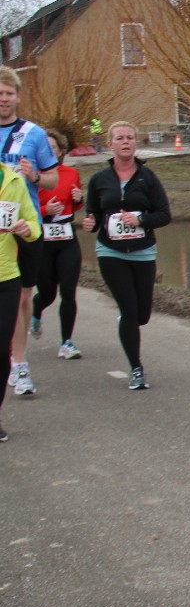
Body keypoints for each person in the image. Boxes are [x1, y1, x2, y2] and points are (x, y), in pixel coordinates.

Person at [82, 122, 171, 390]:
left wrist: (140, 219)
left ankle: (128, 320)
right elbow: (93, 214)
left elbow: (164, 215)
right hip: (111, 252)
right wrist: (90, 223)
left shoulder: (148, 177)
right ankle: (136, 369)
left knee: (142, 315)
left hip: (143, 252)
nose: (125, 142)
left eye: (130, 138)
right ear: (110, 144)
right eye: (119, 138)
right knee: (129, 311)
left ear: (135, 143)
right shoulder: (99, 179)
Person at [0, 66, 59, 398]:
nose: (3, 99)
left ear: (18, 97)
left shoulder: (33, 134)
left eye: (8, 93)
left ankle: (18, 362)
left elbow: (53, 179)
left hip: (25, 226)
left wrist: (34, 176)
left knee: (23, 296)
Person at [31, 130, 85, 360]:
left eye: (54, 147)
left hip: (66, 238)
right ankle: (36, 312)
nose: (50, 151)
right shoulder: (34, 176)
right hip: (42, 239)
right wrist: (45, 210)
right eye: (46, 147)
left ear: (61, 151)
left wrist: (79, 199)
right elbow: (26, 207)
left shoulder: (71, 173)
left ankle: (67, 342)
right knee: (47, 294)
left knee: (68, 291)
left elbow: (76, 205)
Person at [0, 161, 39, 441]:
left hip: (6, 277)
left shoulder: (13, 180)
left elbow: (34, 222)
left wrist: (27, 229)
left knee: (2, 350)